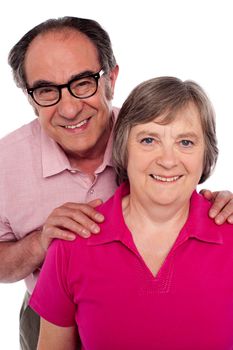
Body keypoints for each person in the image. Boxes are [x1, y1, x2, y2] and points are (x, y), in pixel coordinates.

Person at [0, 16, 232, 350]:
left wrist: (220, 204)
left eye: (82, 83)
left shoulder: (145, 126)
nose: (68, 108)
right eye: (47, 90)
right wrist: (41, 244)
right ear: (30, 97)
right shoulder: (6, 164)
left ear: (111, 78)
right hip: (48, 308)